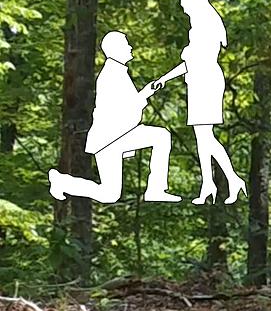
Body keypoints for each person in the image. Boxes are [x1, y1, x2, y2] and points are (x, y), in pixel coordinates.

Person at [48, 31, 180, 204]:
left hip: (116, 137)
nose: (130, 48)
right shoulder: (112, 74)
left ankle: (63, 182)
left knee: (110, 194)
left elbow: (129, 104)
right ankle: (155, 189)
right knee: (161, 137)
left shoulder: (117, 72)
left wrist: (149, 90)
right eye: (126, 44)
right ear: (116, 50)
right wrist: (146, 94)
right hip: (110, 139)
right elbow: (127, 107)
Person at [154, 0, 246, 205]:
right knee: (203, 137)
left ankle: (221, 181)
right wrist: (165, 79)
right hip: (198, 80)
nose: (184, 9)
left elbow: (193, 61)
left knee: (204, 136)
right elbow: (189, 64)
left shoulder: (204, 27)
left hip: (206, 81)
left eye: (185, 4)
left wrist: (166, 78)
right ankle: (214, 182)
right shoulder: (199, 26)